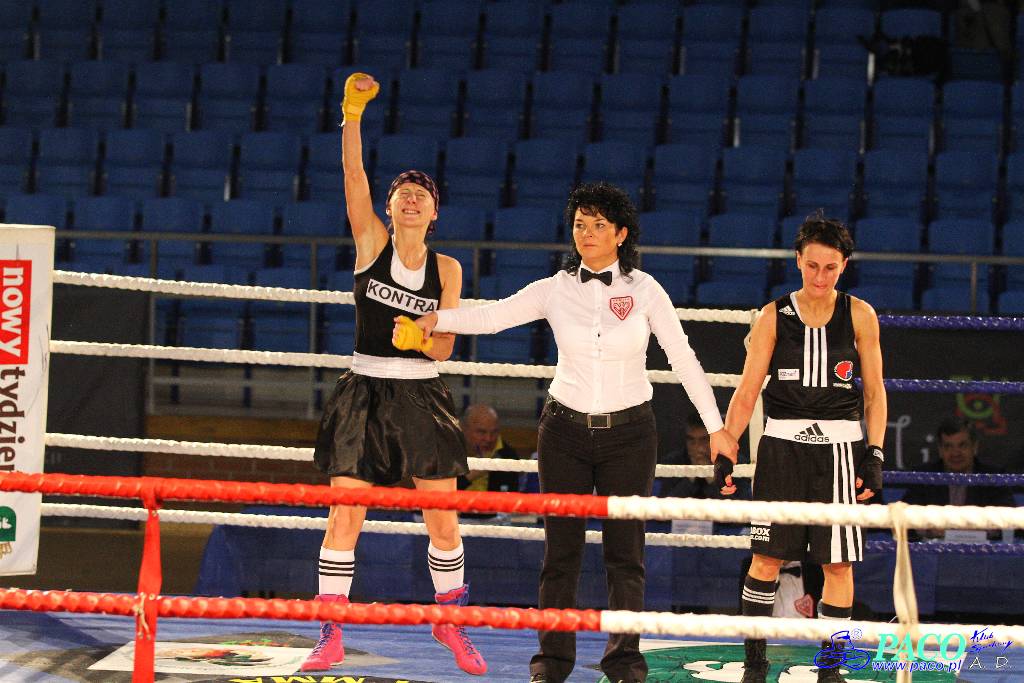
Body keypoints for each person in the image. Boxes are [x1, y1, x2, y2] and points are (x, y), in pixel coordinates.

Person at [402, 181, 739, 683]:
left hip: (631, 434)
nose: (587, 233)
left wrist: (717, 428)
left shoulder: (646, 290)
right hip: (563, 433)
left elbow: (684, 359)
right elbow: (493, 316)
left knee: (626, 554)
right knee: (560, 554)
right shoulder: (555, 288)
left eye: (599, 224)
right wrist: (436, 318)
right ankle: (552, 662)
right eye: (580, 224)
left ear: (621, 234)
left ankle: (624, 661)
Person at [301, 72, 486, 676]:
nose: (410, 199)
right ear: (389, 207)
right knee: (345, 515)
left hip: (422, 395)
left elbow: (446, 347)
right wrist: (352, 115)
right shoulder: (370, 244)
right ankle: (330, 632)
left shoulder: (448, 269)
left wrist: (422, 339)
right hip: (364, 390)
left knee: (442, 517)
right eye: (402, 192)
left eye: (420, 195)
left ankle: (449, 620)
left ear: (434, 213)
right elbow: (353, 176)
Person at [721, 213, 887, 683]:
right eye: (812, 266)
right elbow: (747, 390)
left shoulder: (860, 314)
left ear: (844, 265)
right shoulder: (773, 315)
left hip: (840, 451)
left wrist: (875, 453)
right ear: (797, 260)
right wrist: (727, 448)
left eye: (830, 268)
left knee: (838, 564)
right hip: (781, 449)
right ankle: (755, 663)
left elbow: (875, 393)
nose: (819, 277)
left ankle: (830, 670)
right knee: (766, 558)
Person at [901, 416, 1016, 539]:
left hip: (982, 550)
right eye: (948, 446)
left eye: (962, 445)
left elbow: (1010, 519)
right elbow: (904, 518)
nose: (955, 453)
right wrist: (928, 528)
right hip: (935, 549)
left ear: (974, 447)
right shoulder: (924, 476)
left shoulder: (993, 477)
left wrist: (977, 528)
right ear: (940, 450)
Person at [459, 403, 522, 519]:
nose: (488, 438)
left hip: (491, 521)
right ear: (464, 429)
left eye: (494, 432)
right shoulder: (448, 450)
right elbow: (439, 492)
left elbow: (507, 500)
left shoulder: (507, 455)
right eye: (481, 432)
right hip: (452, 518)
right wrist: (469, 476)